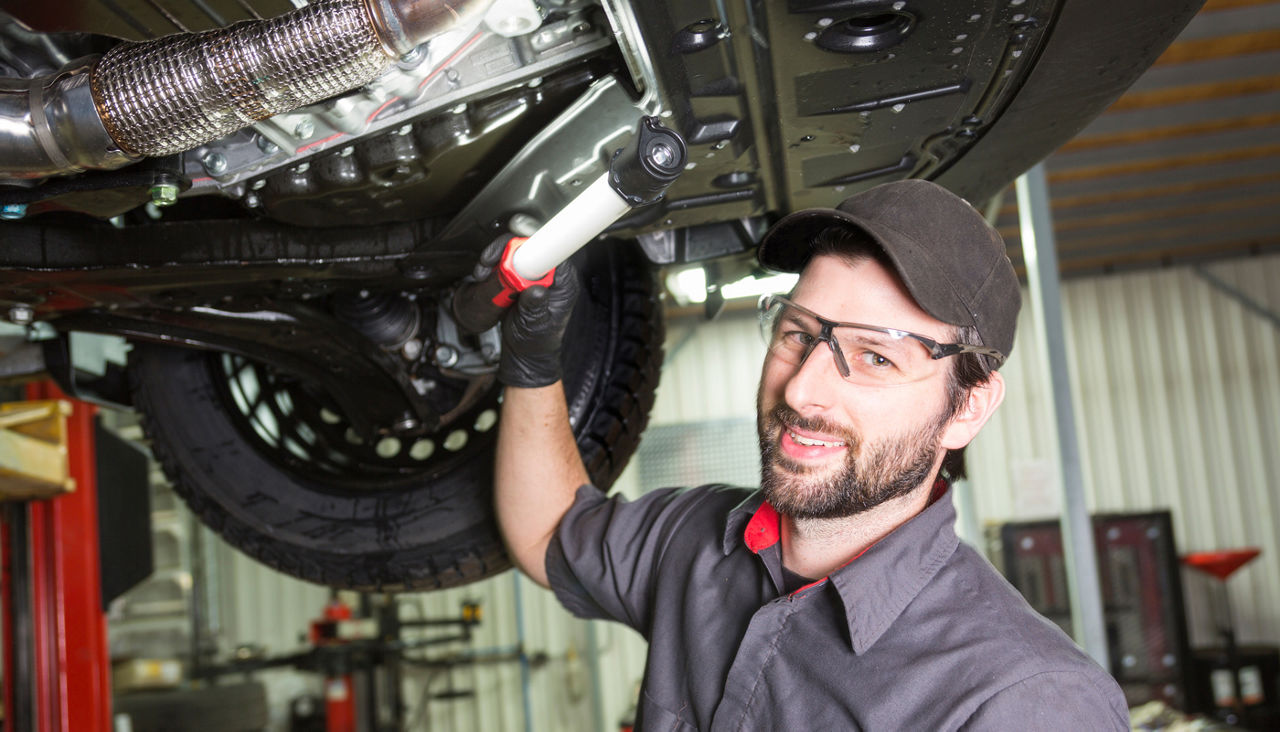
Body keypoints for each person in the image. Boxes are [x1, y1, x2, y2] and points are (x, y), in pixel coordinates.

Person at [490, 179, 1128, 730]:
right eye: (800, 333)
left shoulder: (1026, 701)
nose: (802, 388)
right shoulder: (694, 540)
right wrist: (534, 360)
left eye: (875, 356)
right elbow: (547, 529)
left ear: (967, 408)